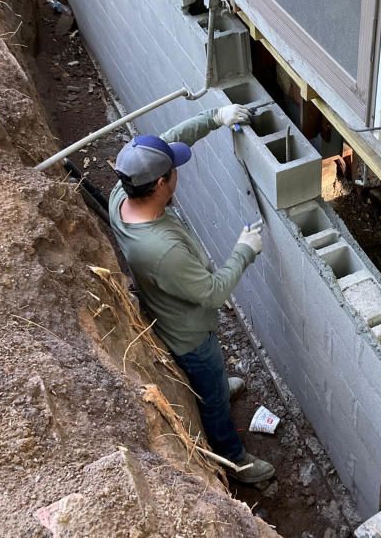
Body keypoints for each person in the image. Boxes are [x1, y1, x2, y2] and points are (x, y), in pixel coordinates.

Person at [108, 104, 275, 483]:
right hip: (190, 335)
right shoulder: (162, 250)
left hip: (171, 310)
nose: (176, 170)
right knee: (212, 395)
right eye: (173, 170)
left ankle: (214, 386)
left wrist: (216, 117)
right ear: (162, 184)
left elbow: (171, 141)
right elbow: (214, 294)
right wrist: (244, 250)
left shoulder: (125, 191)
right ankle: (236, 462)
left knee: (213, 381)